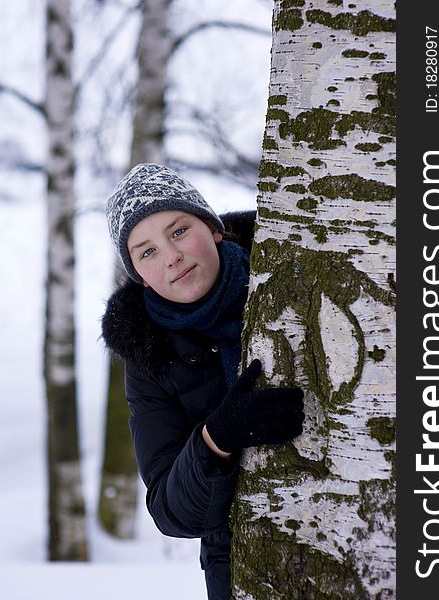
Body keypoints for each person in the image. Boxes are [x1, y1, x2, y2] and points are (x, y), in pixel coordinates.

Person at [101, 163, 305, 600]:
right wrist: (217, 437)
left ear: (213, 228)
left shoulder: (293, 267)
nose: (170, 255)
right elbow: (170, 512)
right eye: (147, 251)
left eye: (177, 231)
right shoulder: (148, 356)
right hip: (246, 567)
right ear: (139, 275)